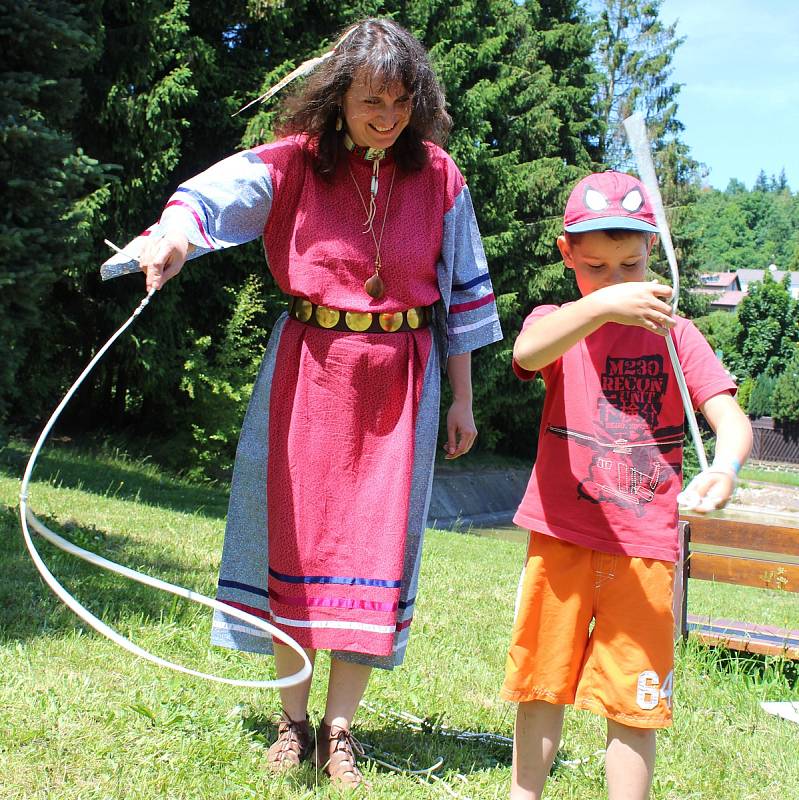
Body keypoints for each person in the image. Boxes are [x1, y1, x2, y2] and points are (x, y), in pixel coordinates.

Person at [132, 17, 502, 790]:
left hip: (400, 380)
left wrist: (461, 400)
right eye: (371, 100)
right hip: (310, 372)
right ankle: (291, 722)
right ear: (337, 100)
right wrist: (171, 234)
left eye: (401, 102)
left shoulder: (438, 175)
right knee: (294, 541)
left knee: (373, 547)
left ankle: (341, 730)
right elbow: (209, 198)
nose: (387, 116)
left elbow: (464, 291)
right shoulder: (296, 163)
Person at [500, 171, 752, 800]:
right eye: (596, 267)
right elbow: (529, 354)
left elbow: (731, 420)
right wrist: (601, 306)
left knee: (635, 704)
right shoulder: (558, 321)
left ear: (654, 254)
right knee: (540, 685)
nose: (616, 282)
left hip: (645, 548)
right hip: (561, 536)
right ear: (567, 256)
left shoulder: (679, 336)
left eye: (630, 265)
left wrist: (724, 466)